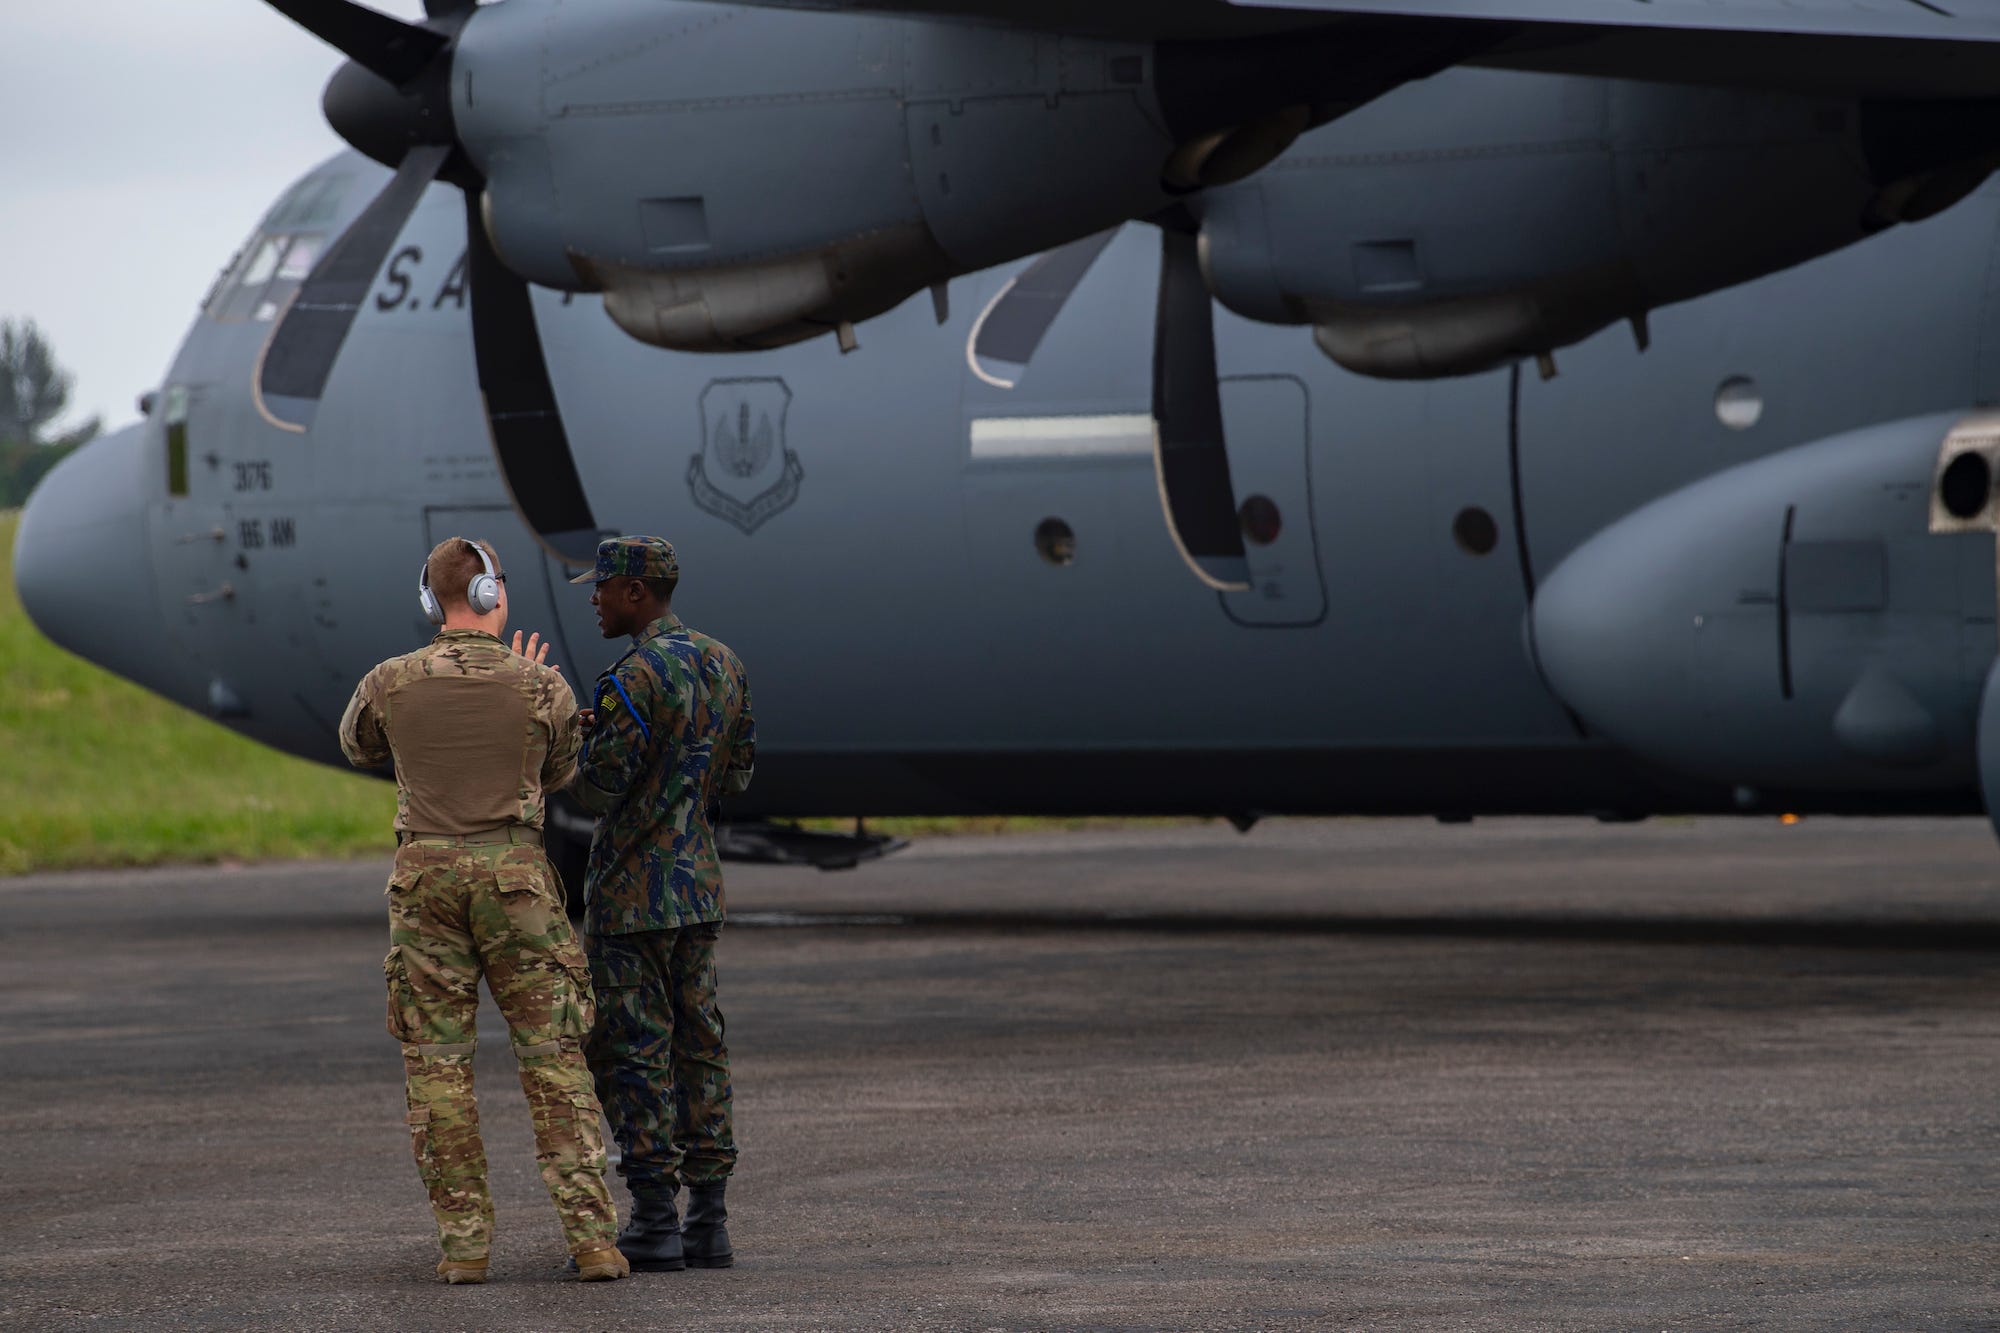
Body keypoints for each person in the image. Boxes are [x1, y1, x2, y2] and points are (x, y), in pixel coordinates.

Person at [339, 536, 628, 1285]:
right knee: (554, 1057)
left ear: (431, 601)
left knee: (437, 1066)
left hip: (424, 877)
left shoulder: (389, 680)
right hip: (516, 880)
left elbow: (359, 746)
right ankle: (593, 1238)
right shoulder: (540, 687)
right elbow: (562, 771)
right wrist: (534, 685)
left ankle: (465, 1245)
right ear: (495, 594)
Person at [568, 536, 755, 1272]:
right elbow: (736, 778)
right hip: (698, 887)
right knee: (700, 1046)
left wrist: (576, 749)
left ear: (638, 593)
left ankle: (653, 1217)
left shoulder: (632, 676)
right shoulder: (724, 663)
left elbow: (598, 791)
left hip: (632, 897)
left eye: (605, 587)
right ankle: (709, 1219)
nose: (596, 598)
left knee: (633, 1053)